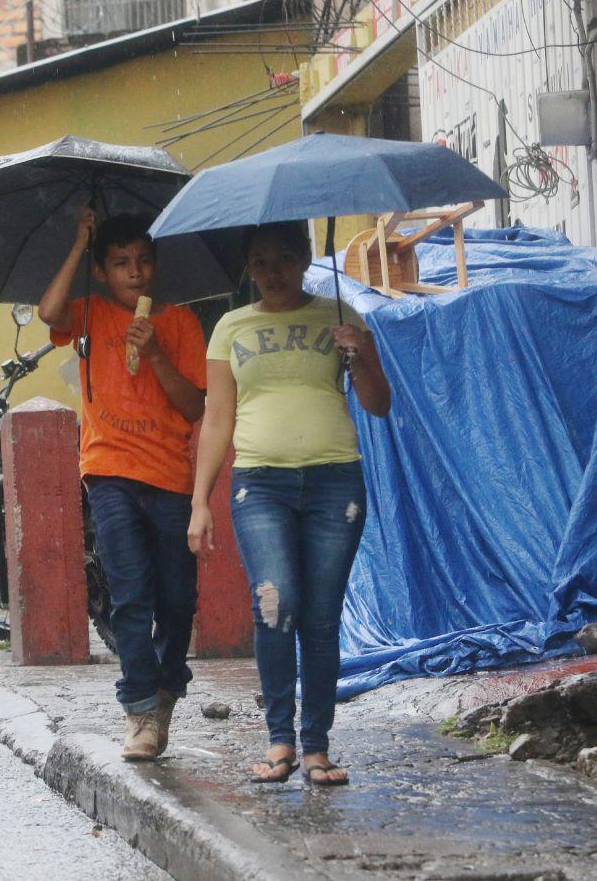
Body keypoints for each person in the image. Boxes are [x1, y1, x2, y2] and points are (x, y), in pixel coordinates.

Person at [188, 221, 391, 786]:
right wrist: (199, 500)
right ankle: (279, 743)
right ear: (248, 269)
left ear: (305, 258)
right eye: (260, 261)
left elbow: (379, 405)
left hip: (335, 482)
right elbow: (218, 420)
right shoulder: (231, 327)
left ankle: (317, 748)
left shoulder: (340, 317)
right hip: (260, 485)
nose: (273, 270)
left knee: (322, 621)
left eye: (283, 257)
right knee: (276, 604)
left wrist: (363, 354)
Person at [39, 209, 207, 762]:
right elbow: (48, 311)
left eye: (141, 261)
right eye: (119, 263)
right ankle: (139, 709)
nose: (133, 272)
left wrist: (155, 350)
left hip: (171, 478)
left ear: (154, 265)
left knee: (178, 600)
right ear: (102, 271)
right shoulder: (87, 316)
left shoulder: (179, 322)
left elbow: (193, 405)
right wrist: (77, 242)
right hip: (109, 471)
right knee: (131, 594)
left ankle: (165, 691)